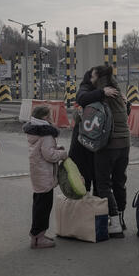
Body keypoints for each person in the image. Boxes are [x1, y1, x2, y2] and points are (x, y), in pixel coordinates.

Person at [92, 65, 130, 238]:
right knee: (119, 181)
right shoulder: (118, 92)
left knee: (103, 184)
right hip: (125, 143)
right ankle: (121, 220)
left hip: (109, 144)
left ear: (99, 77)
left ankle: (114, 222)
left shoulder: (103, 94)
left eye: (93, 76)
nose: (91, 79)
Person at [23, 105, 68, 249]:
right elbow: (50, 155)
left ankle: (37, 235)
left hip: (37, 173)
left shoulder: (34, 133)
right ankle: (38, 237)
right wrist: (62, 154)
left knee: (38, 205)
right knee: (43, 208)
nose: (52, 117)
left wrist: (56, 147)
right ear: (44, 118)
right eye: (50, 114)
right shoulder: (47, 134)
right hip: (45, 175)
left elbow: (43, 149)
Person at [68, 68, 119, 192]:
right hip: (82, 145)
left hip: (97, 146)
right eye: (94, 76)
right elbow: (82, 98)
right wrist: (102, 92)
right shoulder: (86, 88)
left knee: (99, 184)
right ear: (89, 78)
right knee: (83, 184)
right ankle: (84, 209)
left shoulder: (106, 92)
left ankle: (97, 210)